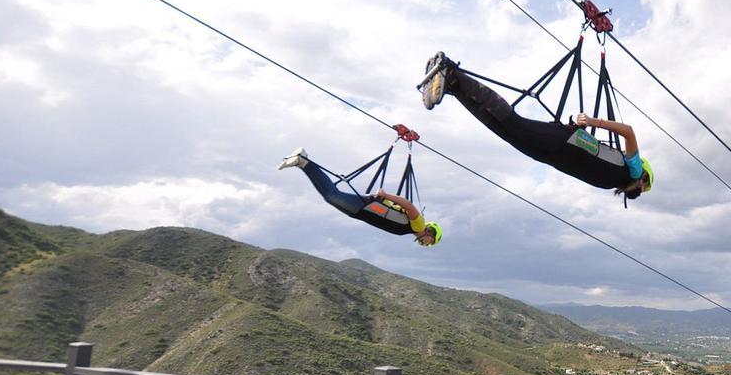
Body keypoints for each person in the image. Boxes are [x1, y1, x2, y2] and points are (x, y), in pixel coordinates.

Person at [418, 52, 654, 199]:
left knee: (503, 130)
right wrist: (594, 122)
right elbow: (629, 132)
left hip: (552, 155)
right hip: (563, 142)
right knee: (513, 123)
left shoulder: (613, 182)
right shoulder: (631, 169)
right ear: (642, 177)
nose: (638, 193)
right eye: (643, 189)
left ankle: (453, 87)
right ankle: (453, 72)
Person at [278, 148, 441, 246]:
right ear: (430, 232)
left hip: (362, 213)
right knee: (332, 195)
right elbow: (408, 204)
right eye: (429, 242)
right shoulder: (419, 225)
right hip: (367, 207)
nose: (425, 244)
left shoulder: (410, 230)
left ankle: (302, 162)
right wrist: (385, 195)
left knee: (330, 197)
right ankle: (303, 160)